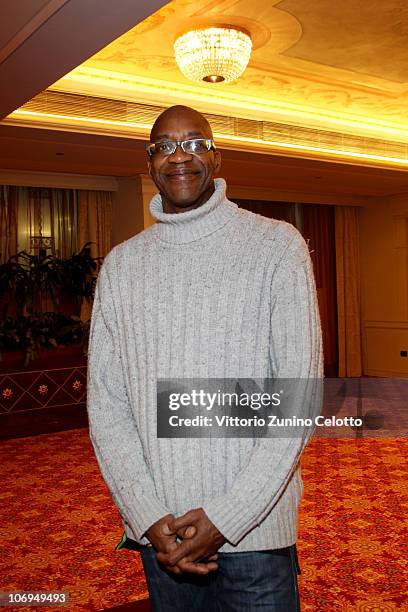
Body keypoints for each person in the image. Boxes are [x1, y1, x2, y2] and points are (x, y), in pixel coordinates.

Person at [87, 105, 323, 611]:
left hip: (256, 536)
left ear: (215, 157)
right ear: (150, 162)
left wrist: (228, 516)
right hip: (162, 533)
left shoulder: (277, 247)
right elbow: (108, 407)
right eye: (165, 146)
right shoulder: (122, 267)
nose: (180, 156)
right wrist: (147, 514)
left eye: (194, 143)